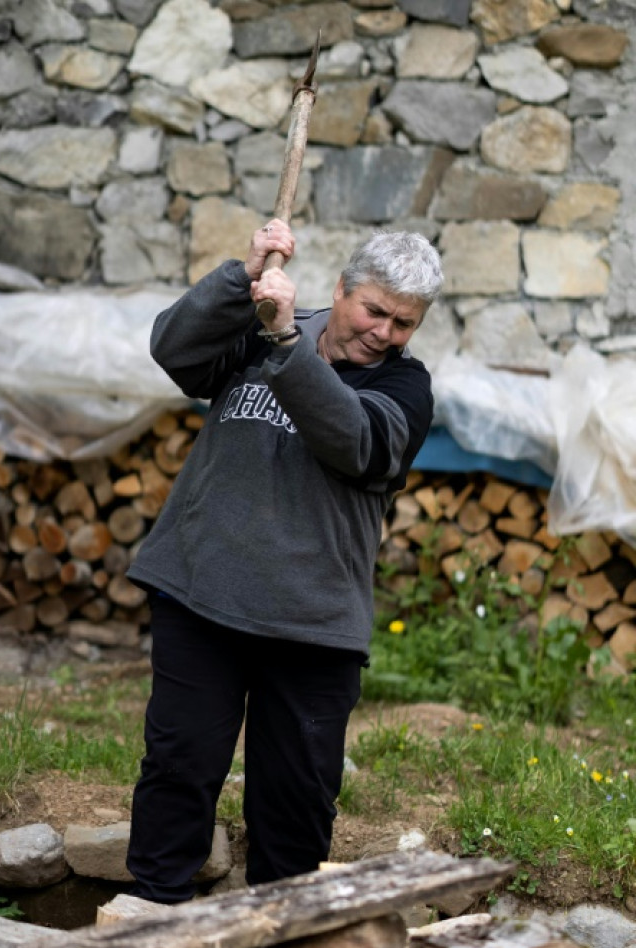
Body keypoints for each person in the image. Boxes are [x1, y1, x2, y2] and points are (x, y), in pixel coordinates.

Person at [125, 218, 443, 904]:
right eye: (375, 310)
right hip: (200, 592)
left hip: (312, 625)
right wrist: (241, 279)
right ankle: (151, 932)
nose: (384, 332)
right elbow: (174, 350)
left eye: (404, 323)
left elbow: (353, 440)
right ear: (343, 289)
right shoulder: (262, 326)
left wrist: (285, 341)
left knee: (294, 808)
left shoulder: (405, 391)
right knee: (179, 769)